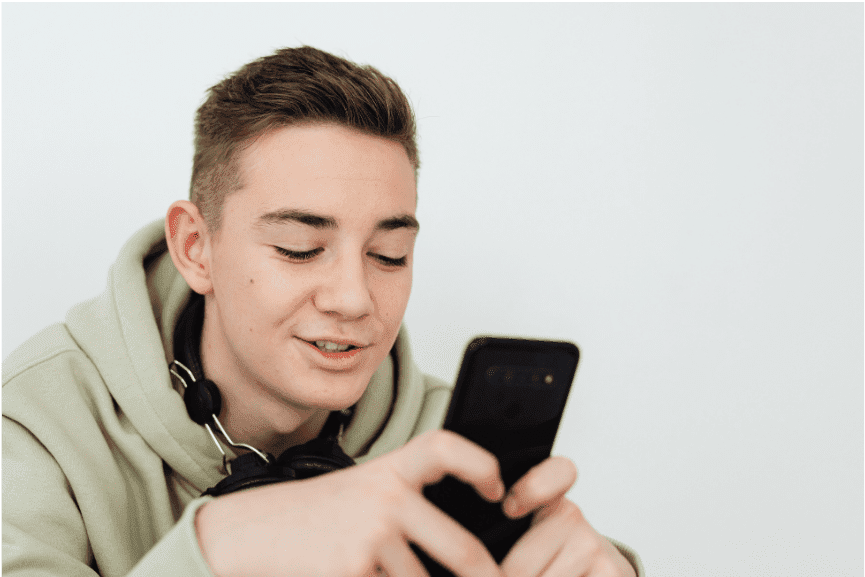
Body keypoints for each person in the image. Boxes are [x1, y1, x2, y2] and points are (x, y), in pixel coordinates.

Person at [1, 46, 643, 577]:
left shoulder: (449, 446)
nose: (354, 299)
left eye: (389, 256)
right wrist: (223, 546)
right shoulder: (36, 427)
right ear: (196, 248)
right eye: (299, 248)